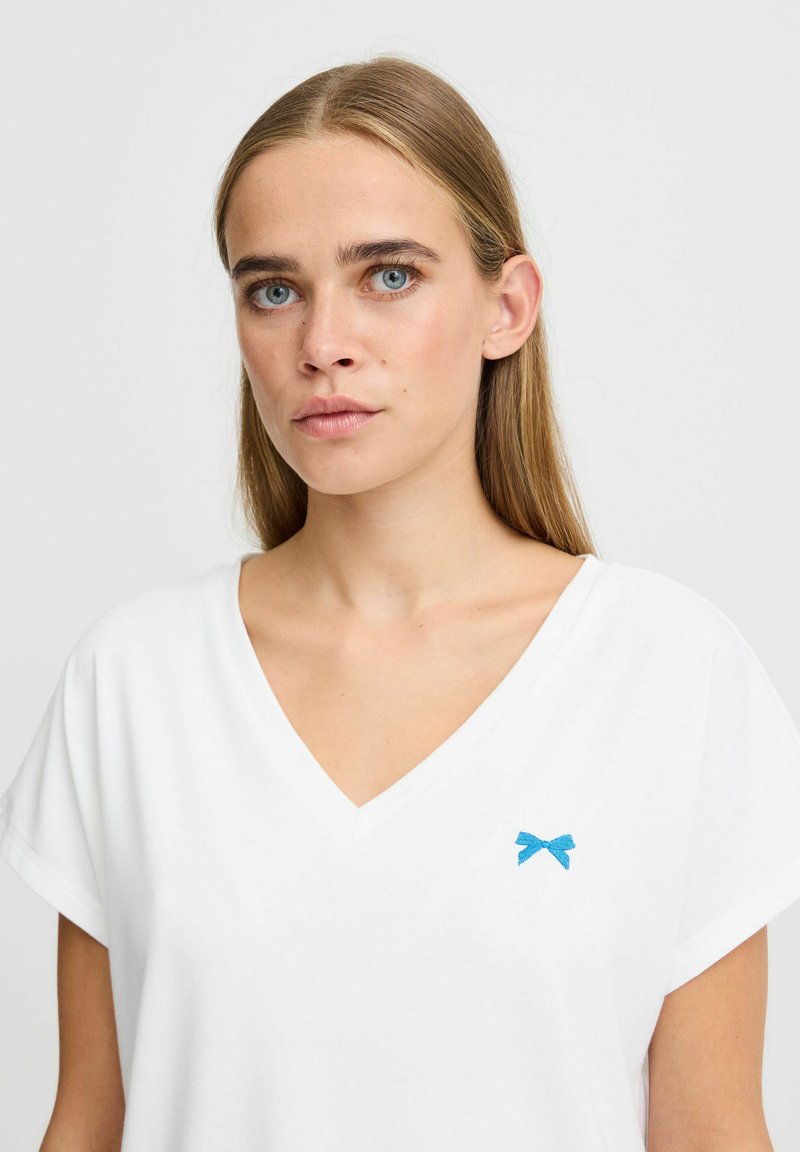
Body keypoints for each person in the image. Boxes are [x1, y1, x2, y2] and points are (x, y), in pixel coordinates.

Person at [2, 54, 799, 1152]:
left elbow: (711, 1132)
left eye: (387, 275)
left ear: (506, 307)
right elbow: (89, 1122)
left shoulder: (670, 676)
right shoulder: (133, 682)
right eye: (272, 289)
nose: (321, 343)